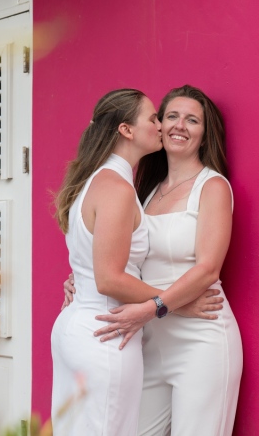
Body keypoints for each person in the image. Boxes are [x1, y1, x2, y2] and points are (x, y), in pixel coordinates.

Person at [63, 85, 243, 435]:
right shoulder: (144, 192)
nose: (179, 126)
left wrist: (155, 307)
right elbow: (120, 256)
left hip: (200, 337)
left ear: (204, 134)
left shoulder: (213, 187)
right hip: (148, 340)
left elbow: (208, 269)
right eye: (171, 116)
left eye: (192, 120)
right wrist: (80, 277)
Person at [50, 88, 163, 435]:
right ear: (126, 130)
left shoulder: (94, 181)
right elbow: (110, 279)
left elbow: (92, 265)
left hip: (80, 327)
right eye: (153, 118)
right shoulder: (116, 187)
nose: (160, 125)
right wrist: (172, 300)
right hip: (106, 333)